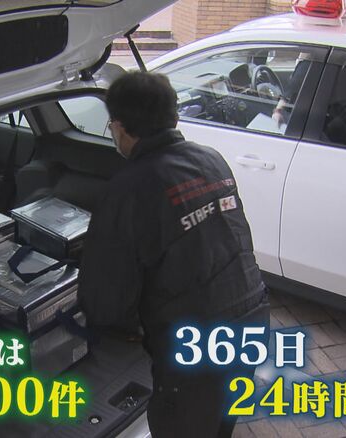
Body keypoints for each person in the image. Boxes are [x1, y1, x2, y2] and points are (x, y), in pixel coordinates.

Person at [78, 72, 270, 438]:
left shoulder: (128, 189)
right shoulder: (210, 159)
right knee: (221, 419)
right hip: (253, 319)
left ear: (118, 127)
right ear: (174, 116)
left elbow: (104, 302)